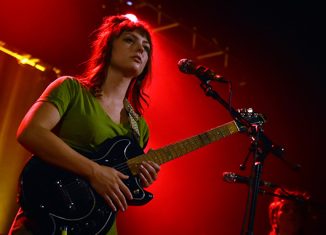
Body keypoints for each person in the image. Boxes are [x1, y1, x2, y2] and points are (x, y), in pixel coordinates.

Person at [10, 14, 160, 235]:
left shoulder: (140, 126)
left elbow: (117, 180)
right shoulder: (70, 88)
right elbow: (30, 132)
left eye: (146, 47)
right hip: (45, 218)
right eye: (130, 40)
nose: (140, 49)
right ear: (108, 48)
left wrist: (139, 178)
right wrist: (94, 172)